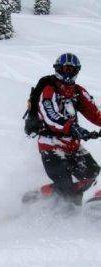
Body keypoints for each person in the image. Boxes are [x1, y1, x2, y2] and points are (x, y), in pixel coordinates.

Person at [32, 53, 101, 205]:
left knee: (91, 172)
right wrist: (73, 127)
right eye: (65, 69)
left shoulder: (77, 91)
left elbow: (94, 113)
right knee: (67, 188)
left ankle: (52, 192)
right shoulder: (48, 90)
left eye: (72, 69)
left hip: (73, 145)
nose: (68, 73)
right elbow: (50, 115)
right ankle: (57, 208)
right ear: (58, 69)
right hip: (51, 146)